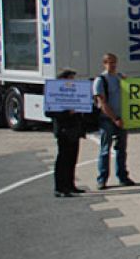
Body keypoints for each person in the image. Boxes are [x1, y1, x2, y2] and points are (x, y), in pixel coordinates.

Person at [93, 53, 135, 190]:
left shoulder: (119, 77)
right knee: (105, 150)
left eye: (115, 62)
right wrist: (115, 118)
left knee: (121, 150)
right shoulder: (101, 80)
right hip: (108, 119)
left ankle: (123, 177)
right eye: (110, 63)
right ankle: (102, 179)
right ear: (104, 63)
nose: (113, 65)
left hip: (122, 119)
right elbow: (102, 103)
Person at [46, 69, 86, 197]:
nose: (72, 81)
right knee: (63, 159)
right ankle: (60, 187)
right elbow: (49, 112)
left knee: (72, 159)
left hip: (74, 129)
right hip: (63, 129)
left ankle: (70, 185)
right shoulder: (54, 91)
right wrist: (67, 112)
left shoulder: (74, 91)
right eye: (70, 78)